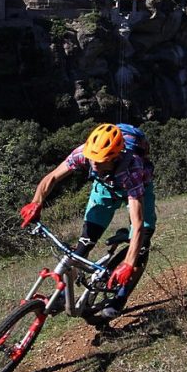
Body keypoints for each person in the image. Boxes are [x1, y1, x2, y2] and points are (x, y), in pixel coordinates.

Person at [20, 123, 156, 322]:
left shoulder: (133, 168)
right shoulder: (85, 153)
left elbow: (137, 222)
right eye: (92, 159)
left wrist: (128, 263)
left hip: (136, 191)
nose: (94, 164)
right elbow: (52, 177)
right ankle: (62, 297)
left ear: (115, 157)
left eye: (100, 161)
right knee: (82, 247)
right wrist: (35, 203)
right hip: (104, 189)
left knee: (142, 243)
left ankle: (119, 299)